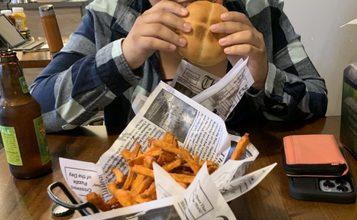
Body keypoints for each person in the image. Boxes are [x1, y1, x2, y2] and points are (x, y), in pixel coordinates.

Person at [30, 0, 328, 133]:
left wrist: (262, 77)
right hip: (141, 195)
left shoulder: (260, 11)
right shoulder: (108, 16)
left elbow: (317, 98)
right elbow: (35, 111)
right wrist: (123, 55)